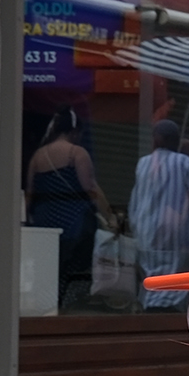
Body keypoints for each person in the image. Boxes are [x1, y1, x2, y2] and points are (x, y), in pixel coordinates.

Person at [25, 108, 116, 308]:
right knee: (75, 273)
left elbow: (30, 194)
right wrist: (109, 215)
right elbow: (90, 188)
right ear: (75, 131)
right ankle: (69, 311)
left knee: (48, 275)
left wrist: (31, 221)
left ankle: (48, 310)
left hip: (45, 226)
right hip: (74, 225)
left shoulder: (37, 156)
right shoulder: (76, 153)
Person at [130, 119, 189, 307]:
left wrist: (134, 227)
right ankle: (167, 315)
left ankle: (151, 309)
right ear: (177, 141)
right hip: (173, 233)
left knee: (152, 277)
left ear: (155, 140)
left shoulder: (143, 163)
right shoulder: (183, 163)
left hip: (144, 230)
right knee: (174, 278)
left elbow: (135, 201)